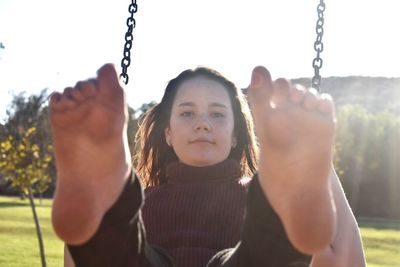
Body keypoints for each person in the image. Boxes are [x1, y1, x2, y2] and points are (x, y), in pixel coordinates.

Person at [50, 64, 366, 267]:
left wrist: (309, 164)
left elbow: (342, 258)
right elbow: (80, 247)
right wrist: (91, 219)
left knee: (259, 250)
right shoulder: (140, 205)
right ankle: (106, 201)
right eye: (188, 113)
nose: (203, 124)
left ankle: (281, 214)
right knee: (117, 243)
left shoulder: (257, 196)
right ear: (168, 134)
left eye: (217, 114)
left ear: (235, 137)